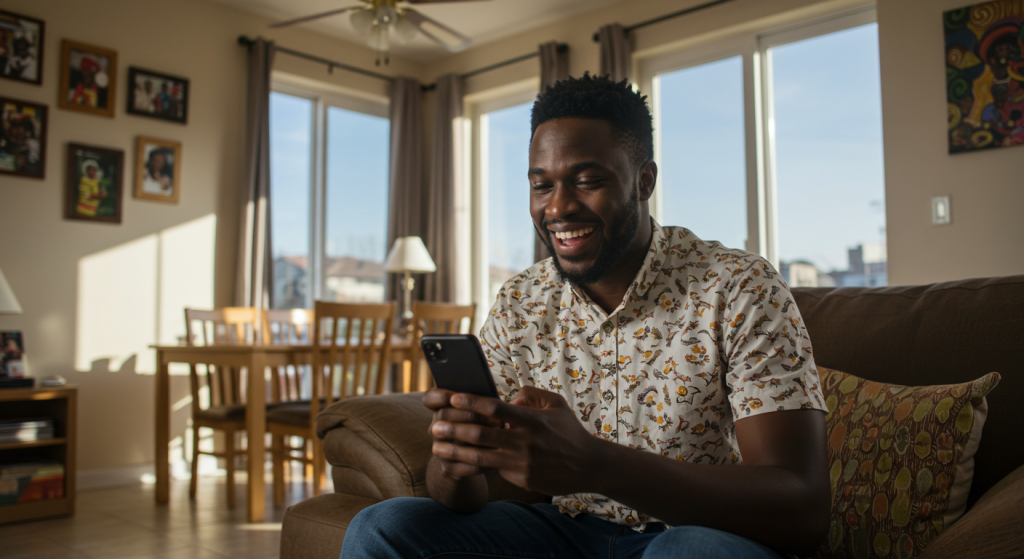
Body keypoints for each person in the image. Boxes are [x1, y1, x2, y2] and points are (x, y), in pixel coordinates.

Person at [340, 74, 829, 559]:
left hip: (693, 533)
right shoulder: (520, 301)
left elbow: (802, 510)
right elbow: (463, 498)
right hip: (564, 532)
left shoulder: (738, 286)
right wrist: (455, 461)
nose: (558, 207)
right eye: (541, 185)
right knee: (383, 528)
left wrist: (597, 465)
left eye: (587, 181)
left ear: (644, 180)